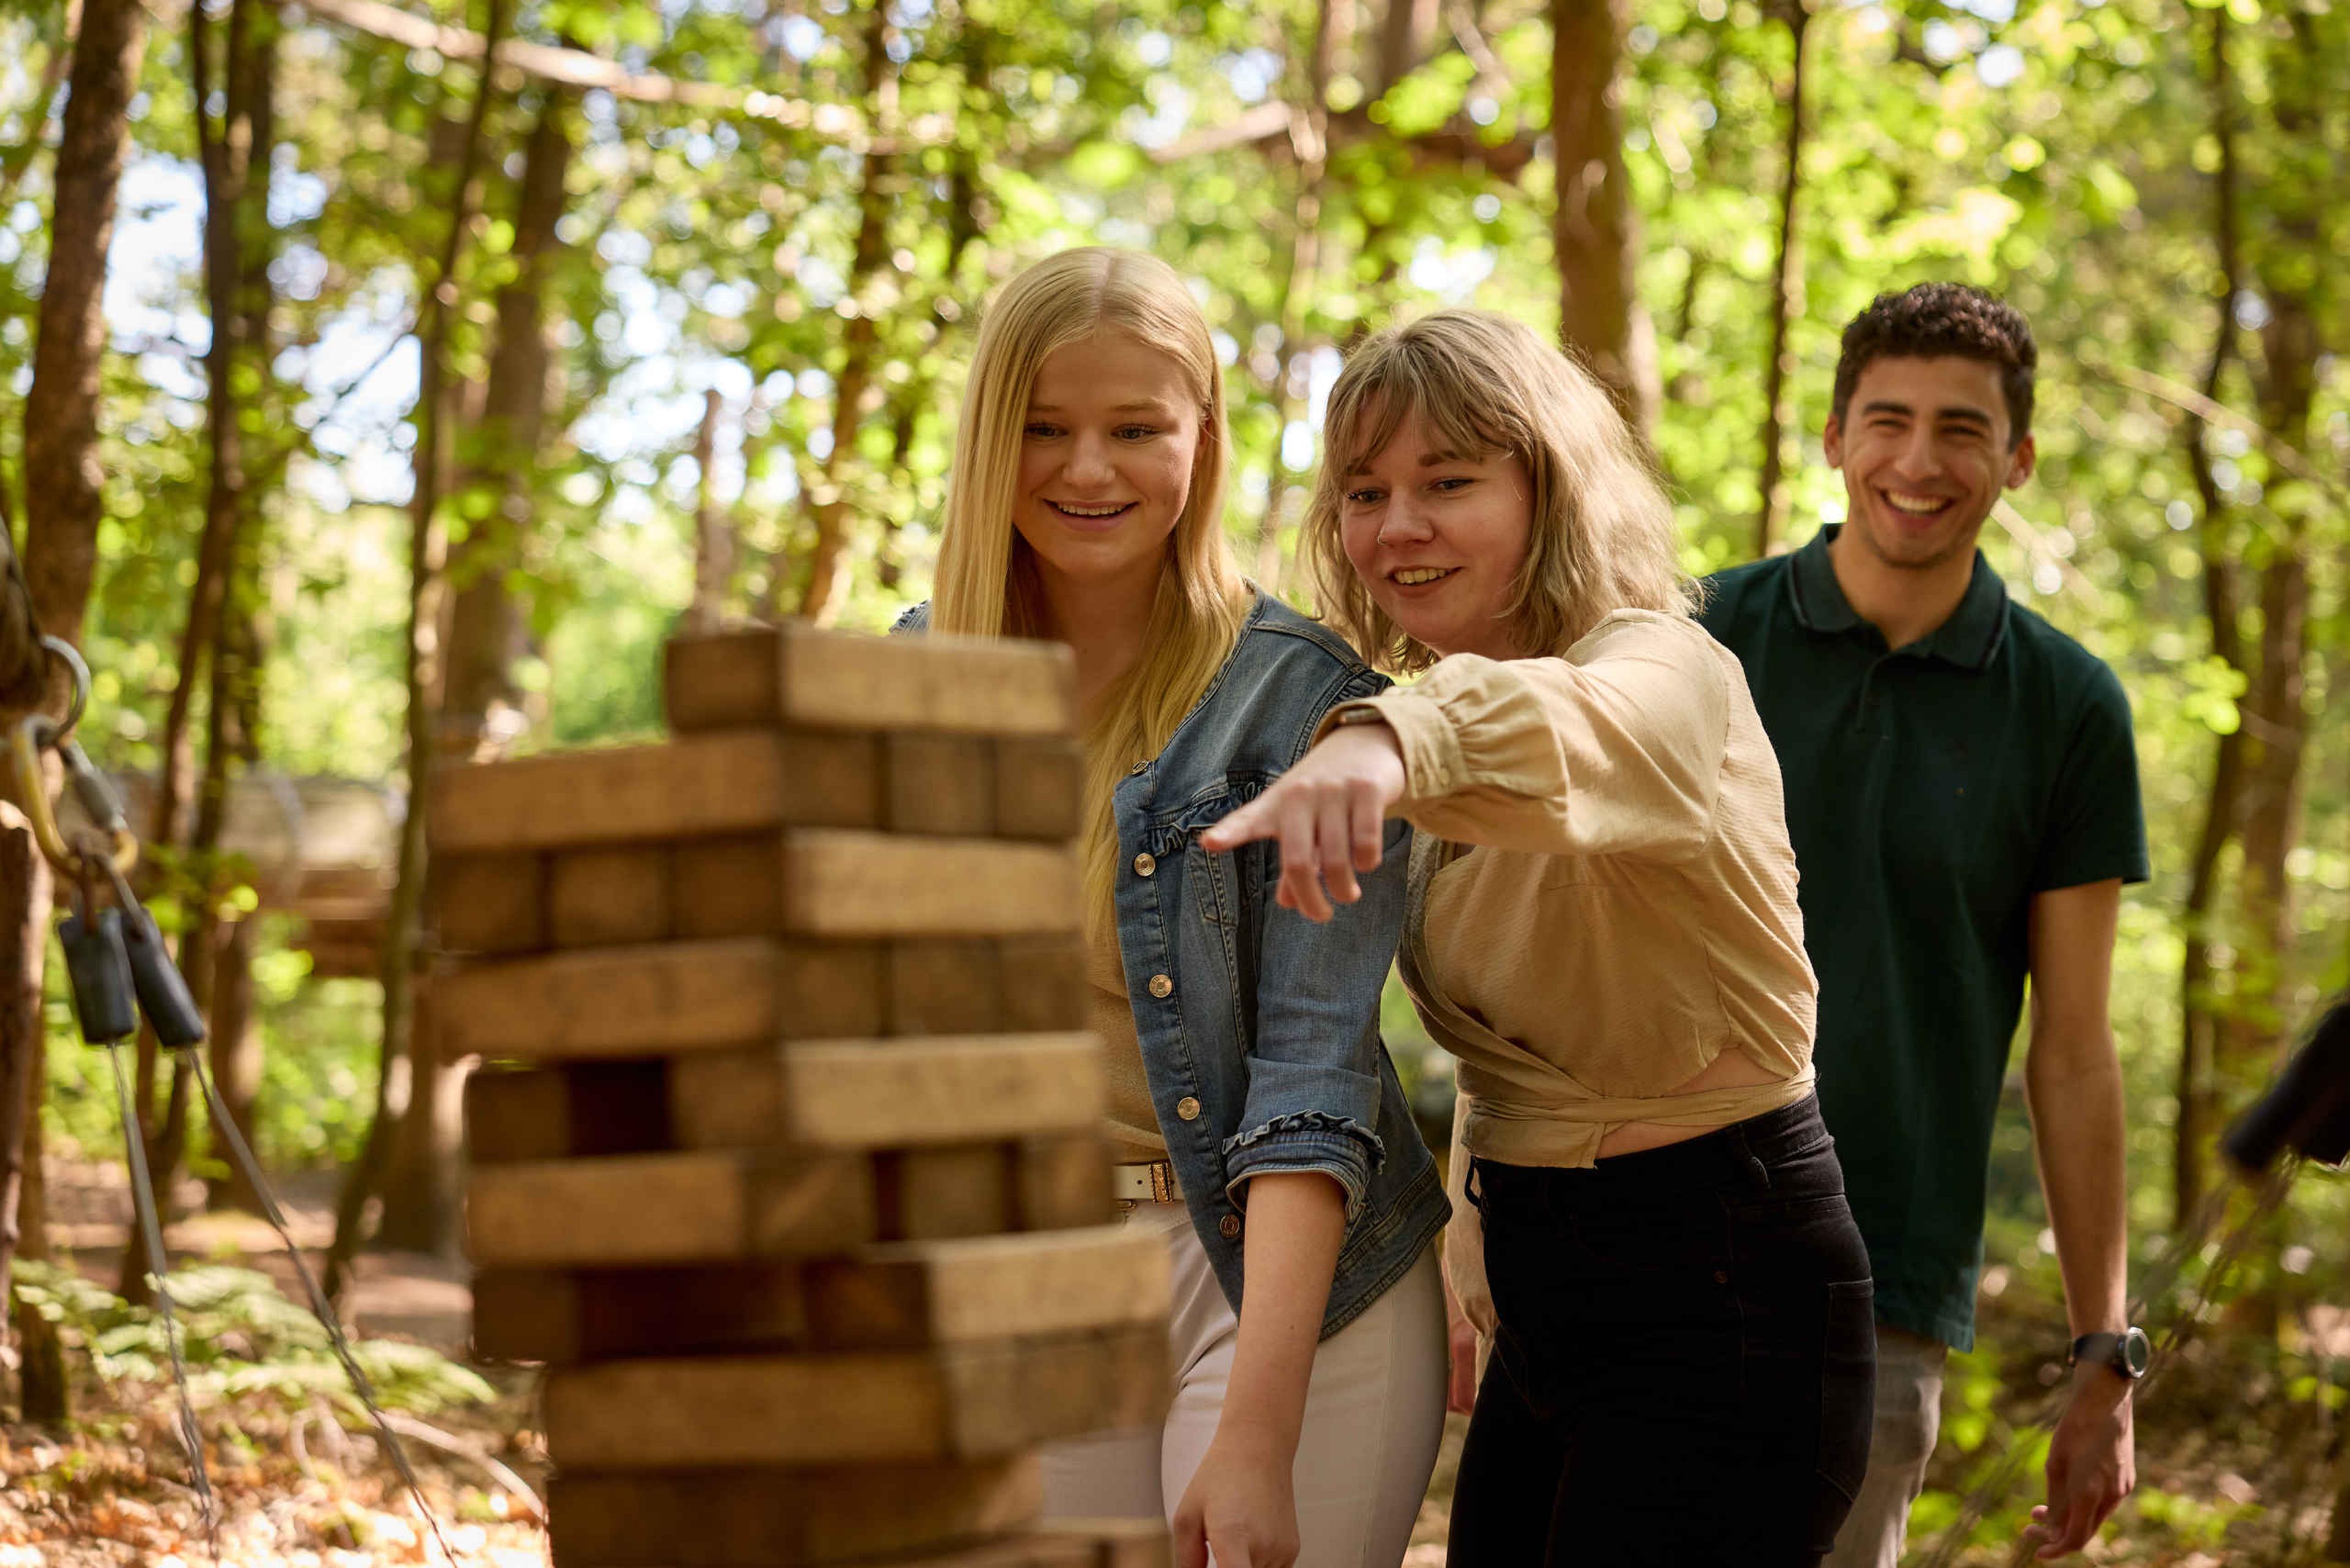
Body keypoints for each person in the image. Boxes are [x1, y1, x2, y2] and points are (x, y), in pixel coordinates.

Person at [1204, 308, 1874, 1565]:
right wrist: (1475, 1241)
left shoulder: (1668, 671)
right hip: (1547, 1295)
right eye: (1365, 492)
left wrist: (1380, 742)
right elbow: (1515, 1040)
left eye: (1448, 482)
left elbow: (1578, 722)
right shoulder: (1434, 750)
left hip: (1725, 1287)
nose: (1398, 525)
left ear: (1549, 490)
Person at [898, 247, 1450, 1568]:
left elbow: (1311, 1079)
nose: (1089, 470)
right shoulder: (912, 680)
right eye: (1045, 428)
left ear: (1201, 438)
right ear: (989, 440)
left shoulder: (1302, 698)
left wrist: (1256, 1439)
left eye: (1137, 428)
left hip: (1285, 1288)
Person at [1698, 283, 2147, 1565]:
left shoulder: (2067, 707)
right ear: (1834, 438)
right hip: (1639, 1233)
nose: (1918, 459)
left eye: (1963, 428)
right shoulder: (1699, 636)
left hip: (1877, 1283)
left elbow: (2073, 1049)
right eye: (1886, 419)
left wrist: (2104, 1350)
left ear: (2018, 459)